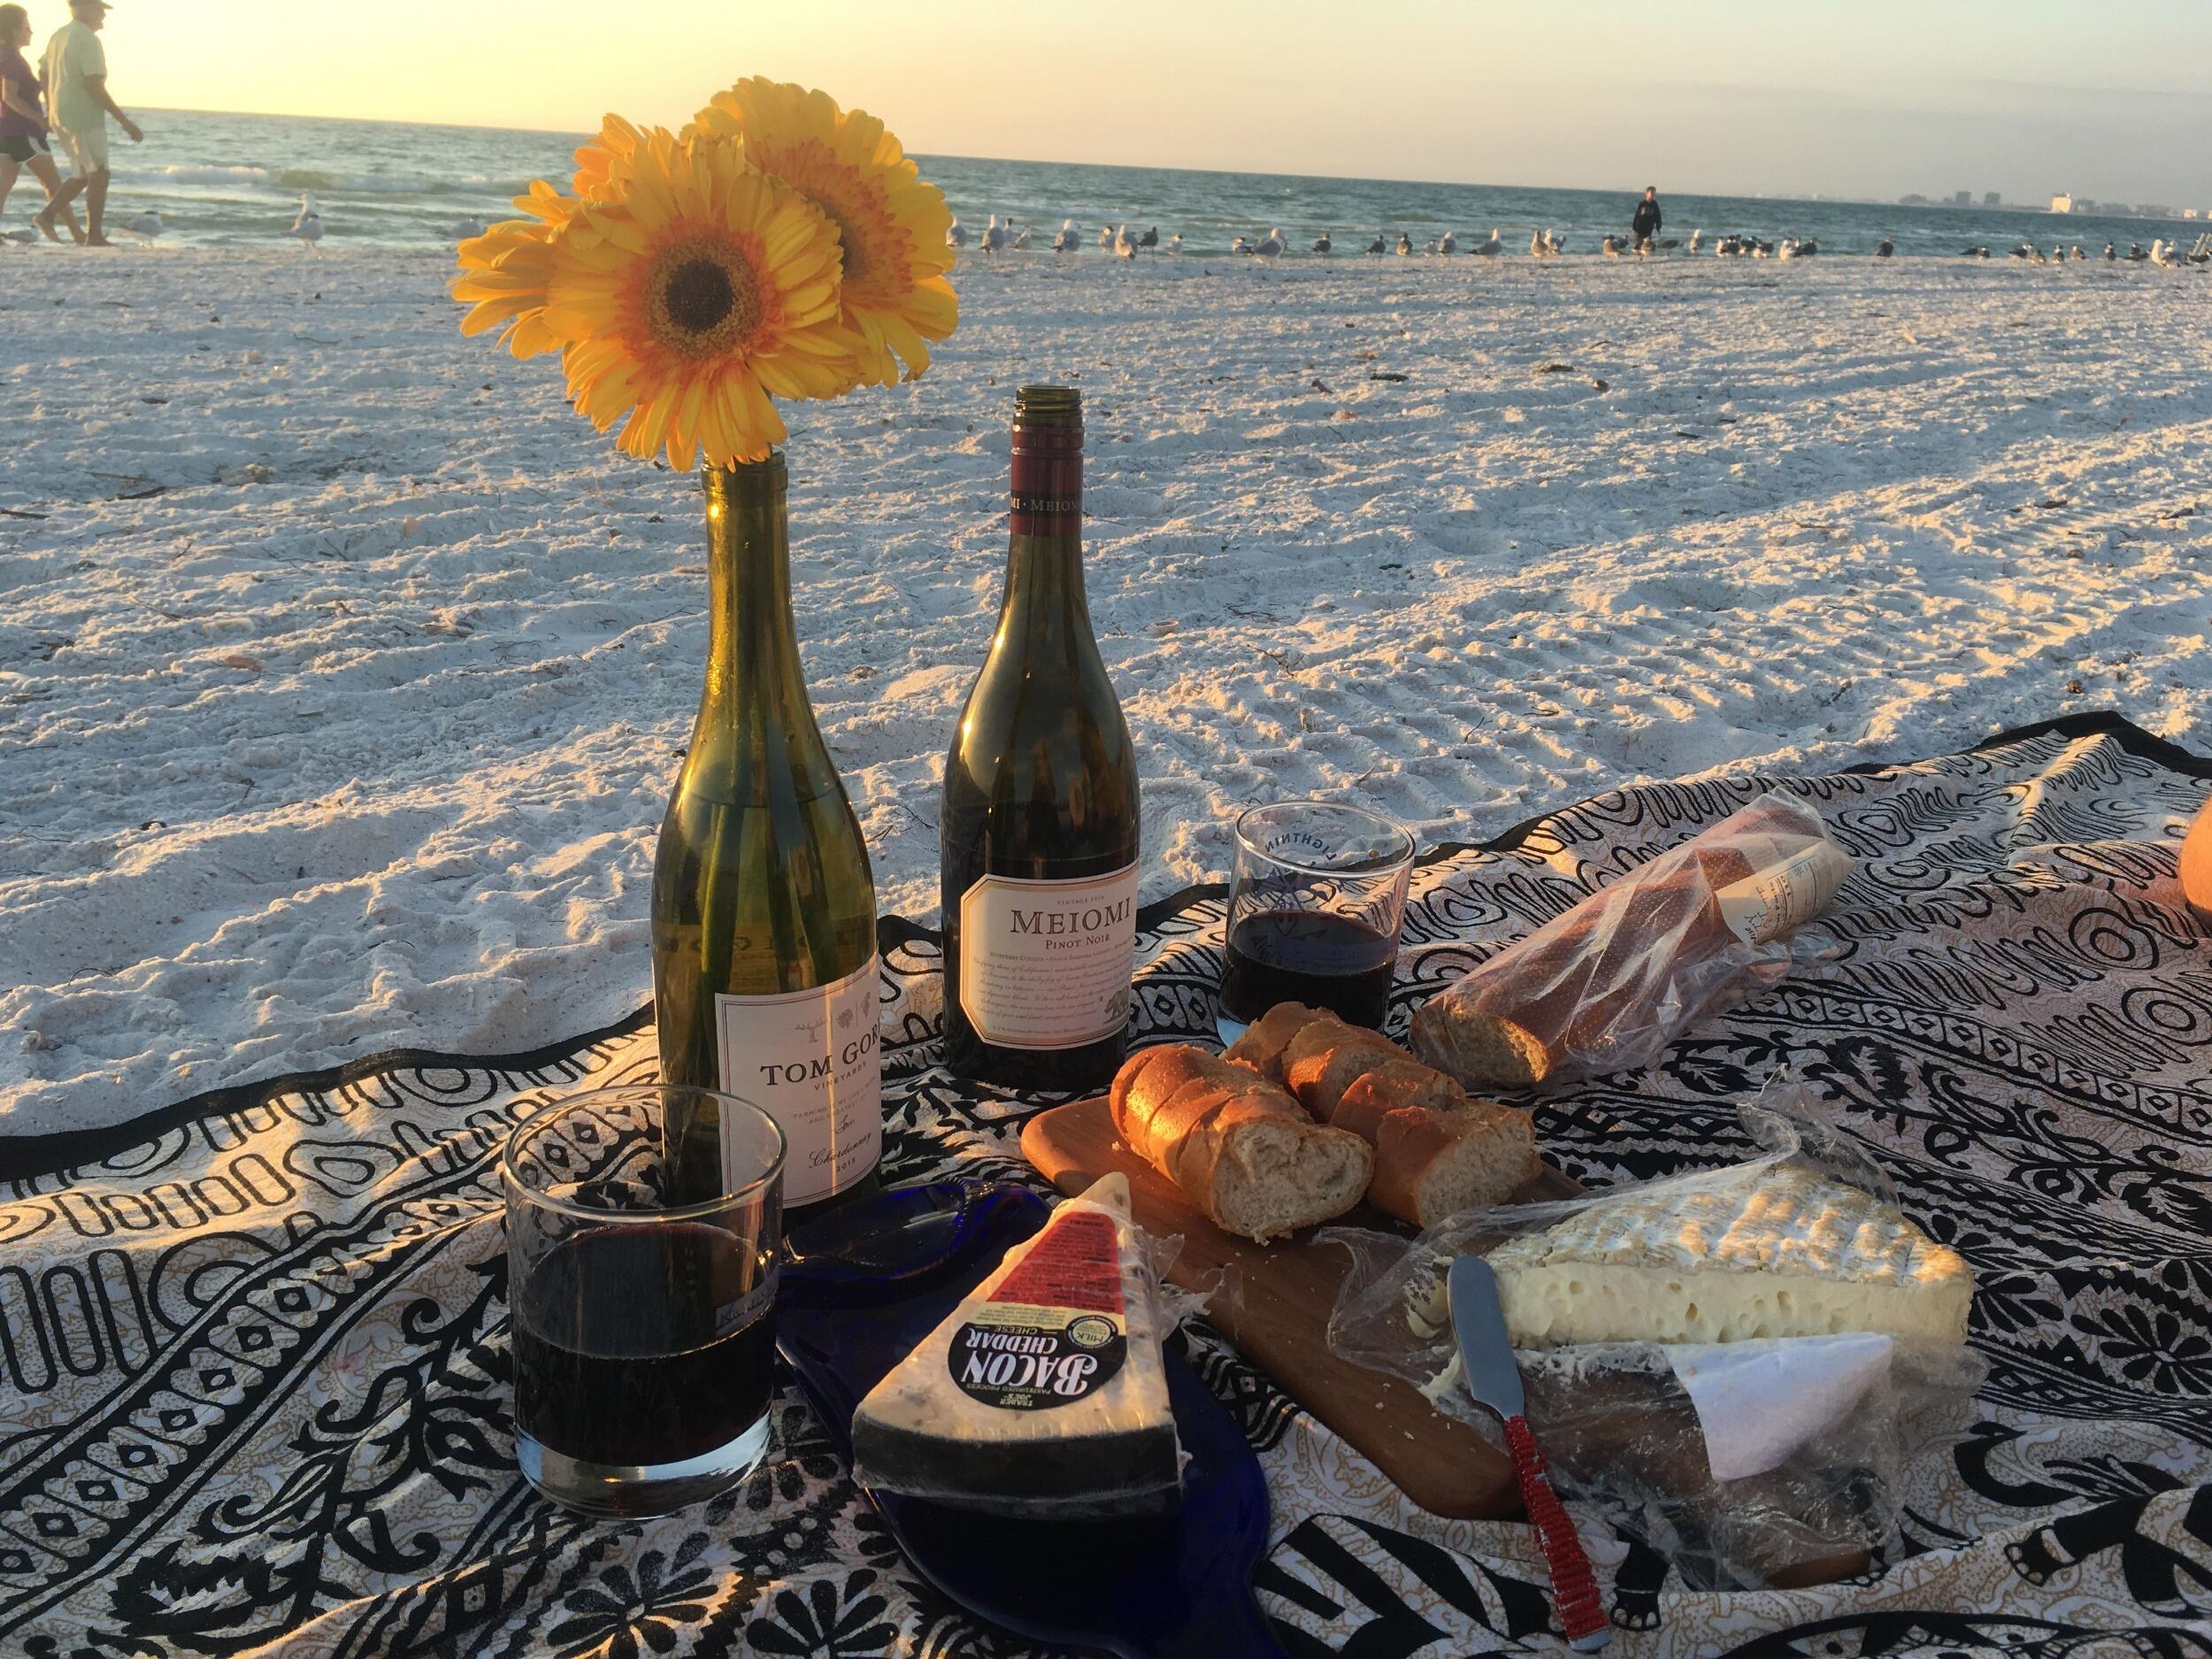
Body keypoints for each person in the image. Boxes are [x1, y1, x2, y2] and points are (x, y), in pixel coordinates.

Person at [41, 0, 136, 246]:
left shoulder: (59, 36)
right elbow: (94, 83)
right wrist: (124, 121)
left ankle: (47, 215)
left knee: (82, 174)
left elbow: (43, 71)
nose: (102, 17)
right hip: (82, 116)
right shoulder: (87, 39)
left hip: (61, 115)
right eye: (98, 10)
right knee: (100, 173)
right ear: (81, 8)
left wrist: (51, 105)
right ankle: (93, 235)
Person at [0, 3, 82, 240]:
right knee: (55, 185)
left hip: (7, 131)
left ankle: (75, 233)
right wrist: (39, 118)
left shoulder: (6, 56)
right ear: (13, 30)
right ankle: (77, 234)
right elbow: (9, 97)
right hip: (24, 131)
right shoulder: (13, 60)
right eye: (27, 27)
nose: (31, 32)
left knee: (3, 185)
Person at [1631, 185, 1662, 253]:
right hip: (1639, 228)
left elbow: (1658, 216)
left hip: (1649, 228)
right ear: (1646, 193)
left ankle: (1645, 260)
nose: (1652, 194)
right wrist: (1634, 228)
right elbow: (1637, 216)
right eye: (1651, 192)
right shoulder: (1642, 204)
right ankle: (1636, 258)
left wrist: (1658, 227)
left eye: (1654, 193)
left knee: (1647, 245)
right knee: (1638, 244)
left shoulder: (1655, 204)